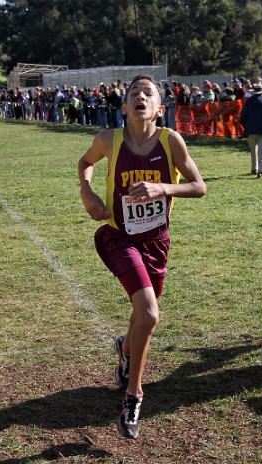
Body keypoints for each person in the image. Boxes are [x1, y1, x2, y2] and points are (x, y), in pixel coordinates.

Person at [78, 74, 206, 439]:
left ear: (159, 108)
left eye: (147, 93)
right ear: (124, 107)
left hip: (156, 241)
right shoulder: (108, 140)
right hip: (118, 237)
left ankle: (125, 347)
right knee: (149, 313)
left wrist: (162, 187)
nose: (139, 96)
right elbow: (84, 163)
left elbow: (199, 187)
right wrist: (86, 190)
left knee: (141, 318)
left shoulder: (171, 140)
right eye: (133, 93)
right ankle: (133, 396)